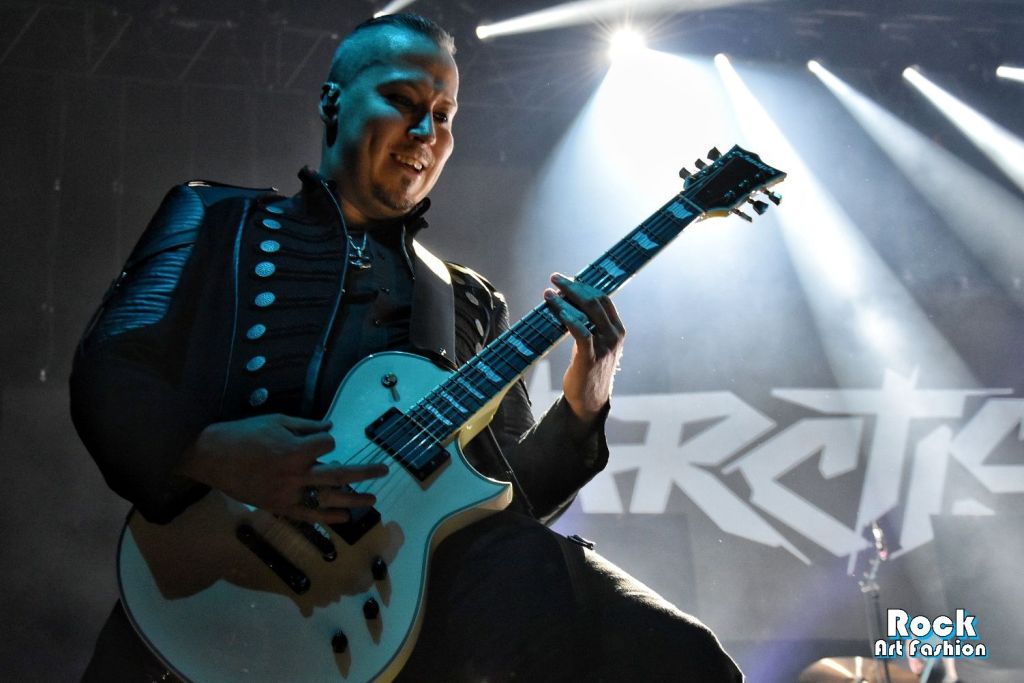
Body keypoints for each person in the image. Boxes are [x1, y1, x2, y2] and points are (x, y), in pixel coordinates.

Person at [71, 13, 743, 682]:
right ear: (333, 102)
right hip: (200, 591)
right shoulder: (218, 218)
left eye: (444, 116)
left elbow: (510, 499)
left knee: (682, 658)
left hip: (393, 625)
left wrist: (583, 405)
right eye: (402, 100)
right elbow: (111, 368)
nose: (426, 132)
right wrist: (208, 452)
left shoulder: (469, 299)